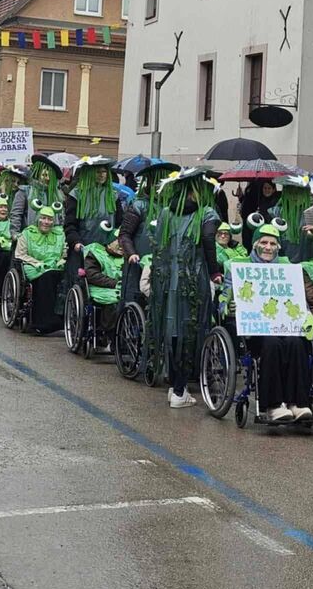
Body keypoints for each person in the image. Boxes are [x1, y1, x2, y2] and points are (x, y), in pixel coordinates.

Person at [221, 222, 313, 422]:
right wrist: (227, 306)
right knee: (272, 343)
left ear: (278, 247)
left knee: (297, 344)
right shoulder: (239, 267)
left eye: (272, 243)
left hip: (286, 326)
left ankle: (297, 403)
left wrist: (307, 313)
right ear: (255, 244)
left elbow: (298, 297)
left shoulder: (288, 268)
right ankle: (273, 405)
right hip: (256, 330)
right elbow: (224, 296)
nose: (268, 247)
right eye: (264, 242)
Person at [148, 168, 221, 408]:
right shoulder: (206, 213)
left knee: (172, 330)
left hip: (167, 280)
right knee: (190, 331)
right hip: (193, 279)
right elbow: (208, 240)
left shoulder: (166, 212)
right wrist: (215, 272)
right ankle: (180, 391)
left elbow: (159, 247)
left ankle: (174, 387)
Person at [118, 161, 178, 301]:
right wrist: (131, 253)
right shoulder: (139, 205)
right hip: (139, 262)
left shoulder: (173, 208)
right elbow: (124, 234)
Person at [15, 206, 67, 334]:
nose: (46, 222)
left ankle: (62, 317)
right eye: (43, 218)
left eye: (49, 219)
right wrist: (36, 263)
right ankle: (44, 322)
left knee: (65, 278)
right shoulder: (27, 233)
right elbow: (20, 254)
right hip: (34, 266)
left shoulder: (60, 234)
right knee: (47, 278)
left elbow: (65, 253)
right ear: (38, 219)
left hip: (55, 266)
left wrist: (61, 260)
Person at [83, 227, 125, 343]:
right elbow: (92, 275)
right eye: (119, 241)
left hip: (122, 288)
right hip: (100, 288)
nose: (122, 245)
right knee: (114, 301)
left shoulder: (128, 257)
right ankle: (108, 333)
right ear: (110, 242)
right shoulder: (96, 254)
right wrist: (114, 283)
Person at [10, 155, 63, 240]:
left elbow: (60, 218)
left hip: (50, 240)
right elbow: (16, 214)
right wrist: (15, 234)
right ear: (38, 174)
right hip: (28, 238)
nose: (47, 178)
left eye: (50, 176)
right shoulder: (25, 191)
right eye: (44, 175)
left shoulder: (56, 195)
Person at [270, 175, 313, 263]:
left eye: (299, 192)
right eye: (291, 192)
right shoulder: (276, 212)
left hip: (308, 263)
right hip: (283, 263)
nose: (295, 196)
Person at [240, 180, 279, 252]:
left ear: (273, 190)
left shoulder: (277, 202)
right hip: (259, 232)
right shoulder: (260, 200)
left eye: (269, 188)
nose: (267, 190)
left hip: (271, 232)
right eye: (265, 188)